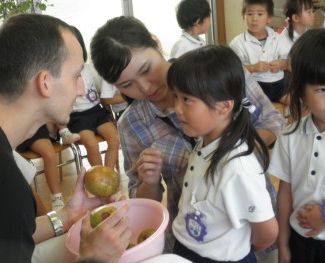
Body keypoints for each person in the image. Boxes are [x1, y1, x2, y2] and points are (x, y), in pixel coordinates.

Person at [90, 15, 284, 255]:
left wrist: (232, 151)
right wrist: (148, 181)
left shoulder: (215, 72)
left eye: (146, 69)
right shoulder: (132, 124)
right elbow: (142, 201)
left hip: (257, 226)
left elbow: (272, 120)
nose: (146, 87)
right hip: (195, 241)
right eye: (127, 85)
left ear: (156, 43)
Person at [0, 13, 132, 263]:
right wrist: (94, 258)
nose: (82, 89)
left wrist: (67, 215)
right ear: (45, 83)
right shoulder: (0, 181)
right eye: (76, 75)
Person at [170, 45, 278, 263]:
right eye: (176, 97)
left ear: (224, 107)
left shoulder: (238, 168)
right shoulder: (205, 141)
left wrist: (236, 249)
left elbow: (266, 233)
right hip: (188, 248)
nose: (177, 108)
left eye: (187, 99)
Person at [268, 28, 325, 263]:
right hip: (299, 240)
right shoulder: (290, 134)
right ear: (301, 90)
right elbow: (285, 193)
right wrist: (282, 244)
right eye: (322, 90)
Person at [68, 26, 119, 169]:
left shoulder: (90, 69)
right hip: (77, 117)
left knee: (115, 140)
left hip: (97, 112)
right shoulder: (61, 73)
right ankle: (99, 177)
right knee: (92, 144)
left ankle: (108, 175)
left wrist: (109, 114)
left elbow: (102, 94)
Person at [229, 0, 290, 105]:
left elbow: (289, 63)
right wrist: (253, 68)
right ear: (243, 17)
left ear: (269, 18)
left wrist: (281, 64)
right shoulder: (237, 43)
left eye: (260, 14)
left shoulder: (278, 38)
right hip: (255, 86)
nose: (254, 19)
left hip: (279, 85)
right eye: (249, 14)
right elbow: (233, 71)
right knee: (251, 109)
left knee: (299, 103)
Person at [280, 0, 315, 71]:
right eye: (309, 12)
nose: (313, 14)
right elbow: (286, 65)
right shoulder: (283, 39)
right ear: (295, 18)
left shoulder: (308, 30)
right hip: (295, 75)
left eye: (312, 11)